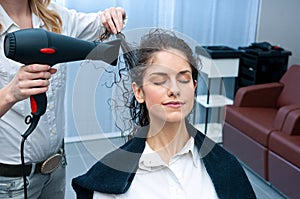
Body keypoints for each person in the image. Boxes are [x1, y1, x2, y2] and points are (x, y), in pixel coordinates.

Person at [72, 29, 257, 199]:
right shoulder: (108, 181)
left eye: (184, 79)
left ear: (194, 86)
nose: (174, 90)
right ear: (139, 92)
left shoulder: (227, 167)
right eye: (160, 81)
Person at [0, 0, 126, 198]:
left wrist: (113, 14)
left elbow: (99, 23)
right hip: (11, 181)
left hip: (56, 168)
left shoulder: (55, 17)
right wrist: (10, 94)